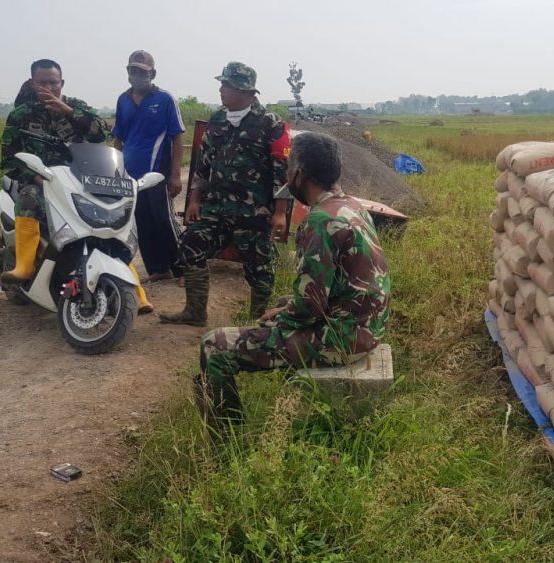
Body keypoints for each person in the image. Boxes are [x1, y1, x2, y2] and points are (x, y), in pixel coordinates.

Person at [196, 131, 391, 426]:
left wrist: (280, 317)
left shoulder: (319, 221)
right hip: (365, 327)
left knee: (214, 344)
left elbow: (309, 308)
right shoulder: (351, 206)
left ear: (298, 174)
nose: (286, 176)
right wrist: (285, 309)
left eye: (288, 168)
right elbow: (324, 291)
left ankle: (226, 444)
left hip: (342, 339)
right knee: (281, 305)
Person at [0, 58, 153, 312]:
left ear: (62, 83)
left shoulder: (76, 107)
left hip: (80, 180)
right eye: (42, 82)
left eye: (53, 82)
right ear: (32, 83)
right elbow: (8, 159)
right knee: (28, 196)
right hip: (43, 180)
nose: (49, 87)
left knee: (107, 224)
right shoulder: (20, 115)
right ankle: (25, 265)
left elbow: (102, 134)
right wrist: (36, 177)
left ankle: (133, 288)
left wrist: (67, 111)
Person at [160, 62, 291, 326]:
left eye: (226, 85)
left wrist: (280, 214)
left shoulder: (271, 124)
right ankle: (195, 312)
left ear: (243, 89)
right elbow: (203, 165)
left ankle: (258, 320)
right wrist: (195, 200)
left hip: (254, 213)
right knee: (191, 244)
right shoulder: (218, 119)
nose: (221, 89)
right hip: (216, 209)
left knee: (259, 269)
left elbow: (283, 172)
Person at [112, 50, 186, 285]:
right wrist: (117, 171)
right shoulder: (123, 100)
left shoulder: (165, 99)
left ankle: (183, 269)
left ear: (152, 73)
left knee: (163, 219)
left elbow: (177, 137)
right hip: (131, 175)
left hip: (157, 174)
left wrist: (175, 175)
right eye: (132, 70)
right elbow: (118, 138)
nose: (136, 75)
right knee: (141, 221)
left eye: (142, 72)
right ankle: (158, 268)